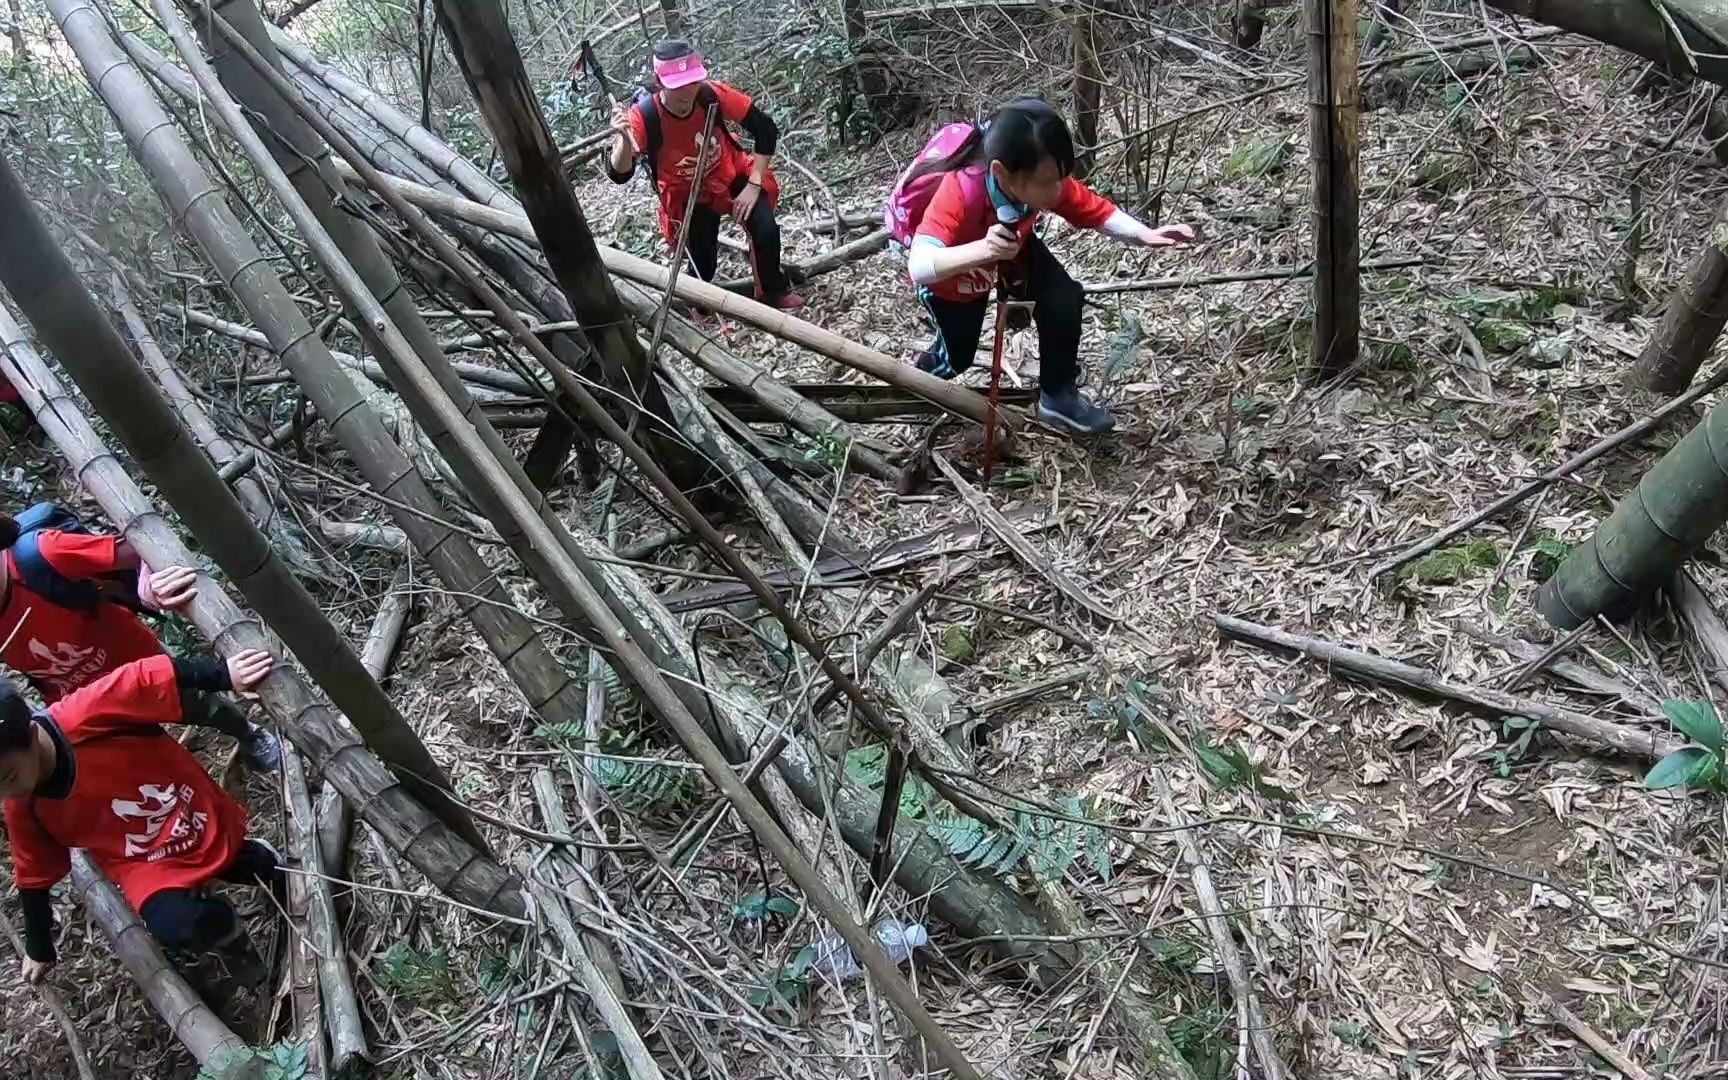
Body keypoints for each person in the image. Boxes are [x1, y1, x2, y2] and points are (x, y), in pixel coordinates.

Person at [887, 98, 1197, 435]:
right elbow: (921, 265)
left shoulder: (1044, 182)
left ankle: (1058, 396)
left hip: (1008, 245)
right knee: (957, 357)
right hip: (953, 271)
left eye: (1061, 178)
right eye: (1047, 182)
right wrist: (982, 251)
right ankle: (913, 386)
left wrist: (1144, 235)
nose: (1057, 191)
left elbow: (1094, 210)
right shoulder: (962, 189)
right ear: (1001, 174)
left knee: (1062, 297)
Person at [3, 649, 282, 987]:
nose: (6, 793)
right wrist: (39, 948)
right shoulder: (22, 806)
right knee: (176, 924)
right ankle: (231, 940)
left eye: (7, 777)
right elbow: (32, 876)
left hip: (179, 803)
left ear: (32, 736)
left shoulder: (84, 716)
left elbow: (143, 677)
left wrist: (223, 674)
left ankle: (265, 863)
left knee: (239, 860)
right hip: (138, 859)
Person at [0, 509, 280, 772]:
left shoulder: (45, 554)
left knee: (203, 706)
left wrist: (148, 589)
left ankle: (246, 733)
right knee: (137, 750)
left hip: (142, 664)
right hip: (85, 702)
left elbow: (137, 550)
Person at [605, 39, 805, 310]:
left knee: (765, 229)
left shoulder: (711, 95)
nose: (688, 92)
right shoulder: (644, 116)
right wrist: (623, 139)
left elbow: (765, 129)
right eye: (679, 85)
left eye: (693, 81)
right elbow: (619, 174)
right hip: (687, 193)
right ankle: (697, 304)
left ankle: (771, 290)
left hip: (729, 171)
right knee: (703, 260)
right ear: (659, 81)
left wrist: (755, 183)